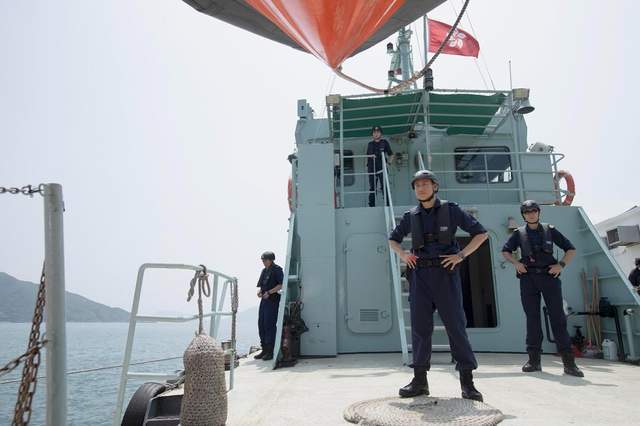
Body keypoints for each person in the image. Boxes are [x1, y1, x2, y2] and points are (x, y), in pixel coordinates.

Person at [388, 170, 488, 402]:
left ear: (435, 187)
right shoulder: (410, 216)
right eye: (417, 185)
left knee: (456, 326)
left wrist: (461, 255)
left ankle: (467, 383)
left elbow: (480, 234)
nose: (421, 188)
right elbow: (392, 239)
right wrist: (403, 254)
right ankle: (420, 382)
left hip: (445, 273)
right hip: (419, 275)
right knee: (420, 329)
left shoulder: (451, 210)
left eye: (425, 184)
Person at [501, 200, 584, 377]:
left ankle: (569, 364)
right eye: (527, 212)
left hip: (549, 278)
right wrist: (516, 263)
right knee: (532, 319)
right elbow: (505, 251)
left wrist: (561, 265)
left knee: (558, 318)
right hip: (528, 279)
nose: (531, 214)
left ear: (538, 212)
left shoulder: (550, 230)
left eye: (533, 211)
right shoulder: (518, 234)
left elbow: (570, 249)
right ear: (523, 215)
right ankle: (534, 361)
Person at [254, 251, 283, 361]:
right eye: (263, 260)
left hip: (273, 301)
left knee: (269, 324)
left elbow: (281, 284)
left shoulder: (277, 270)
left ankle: (271, 351)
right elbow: (261, 286)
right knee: (261, 323)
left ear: (271, 260)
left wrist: (269, 292)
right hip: (264, 301)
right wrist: (260, 292)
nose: (263, 262)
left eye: (265, 260)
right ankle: (264, 349)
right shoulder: (264, 271)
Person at [366, 125, 393, 207]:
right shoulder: (370, 144)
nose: (376, 134)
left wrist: (389, 162)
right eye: (374, 132)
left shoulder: (384, 143)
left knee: (384, 187)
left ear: (381, 133)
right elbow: (369, 155)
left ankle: (387, 204)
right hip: (372, 168)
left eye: (378, 132)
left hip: (382, 168)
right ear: (372, 134)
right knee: (372, 188)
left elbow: (391, 154)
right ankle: (371, 205)